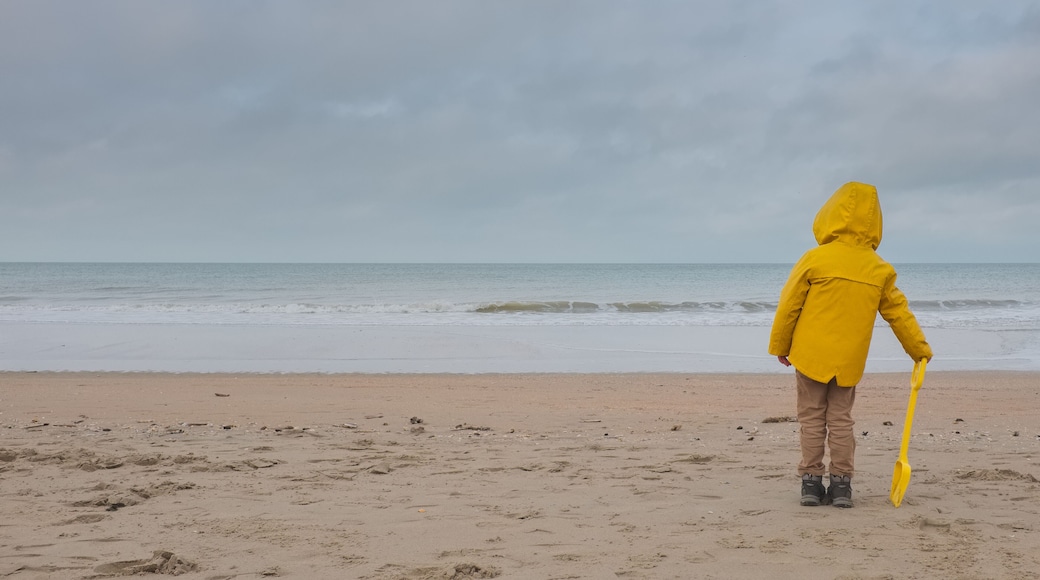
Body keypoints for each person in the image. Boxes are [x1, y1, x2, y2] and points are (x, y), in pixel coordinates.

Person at [768, 182, 932, 508]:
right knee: (841, 420)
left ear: (831, 215)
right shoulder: (879, 268)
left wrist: (780, 346)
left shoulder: (814, 259)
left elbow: (789, 305)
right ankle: (841, 485)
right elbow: (898, 313)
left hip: (810, 355)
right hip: (848, 361)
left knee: (812, 418)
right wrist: (919, 350)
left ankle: (811, 483)